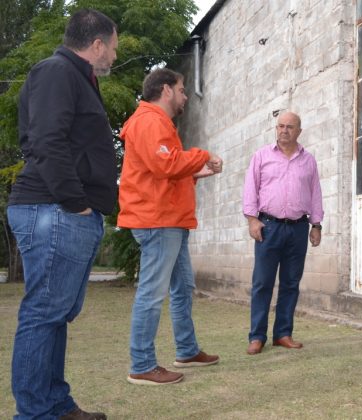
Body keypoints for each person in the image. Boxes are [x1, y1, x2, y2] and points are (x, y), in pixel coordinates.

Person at [7, 9, 118, 420]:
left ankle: (55, 405)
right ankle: (35, 413)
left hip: (60, 209)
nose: (113, 56)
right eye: (113, 47)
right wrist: (75, 201)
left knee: (55, 314)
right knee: (43, 313)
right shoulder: (56, 71)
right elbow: (46, 141)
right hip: (53, 208)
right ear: (97, 44)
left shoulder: (75, 78)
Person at [118, 68, 223, 385]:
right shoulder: (150, 120)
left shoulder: (156, 122)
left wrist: (197, 172)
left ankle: (187, 350)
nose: (185, 96)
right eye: (181, 89)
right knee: (152, 294)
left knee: (182, 289)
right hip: (158, 220)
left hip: (168, 219)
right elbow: (166, 164)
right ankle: (142, 365)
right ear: (166, 90)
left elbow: (163, 170)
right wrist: (202, 155)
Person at [242, 111, 323, 355]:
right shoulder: (261, 156)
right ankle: (257, 336)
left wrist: (316, 225)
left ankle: (283, 334)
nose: (284, 131)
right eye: (280, 126)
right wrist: (252, 220)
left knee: (290, 283)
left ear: (299, 130)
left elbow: (315, 193)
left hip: (298, 228)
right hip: (269, 227)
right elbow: (250, 189)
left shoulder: (308, 161)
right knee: (262, 283)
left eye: (290, 127)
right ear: (276, 129)